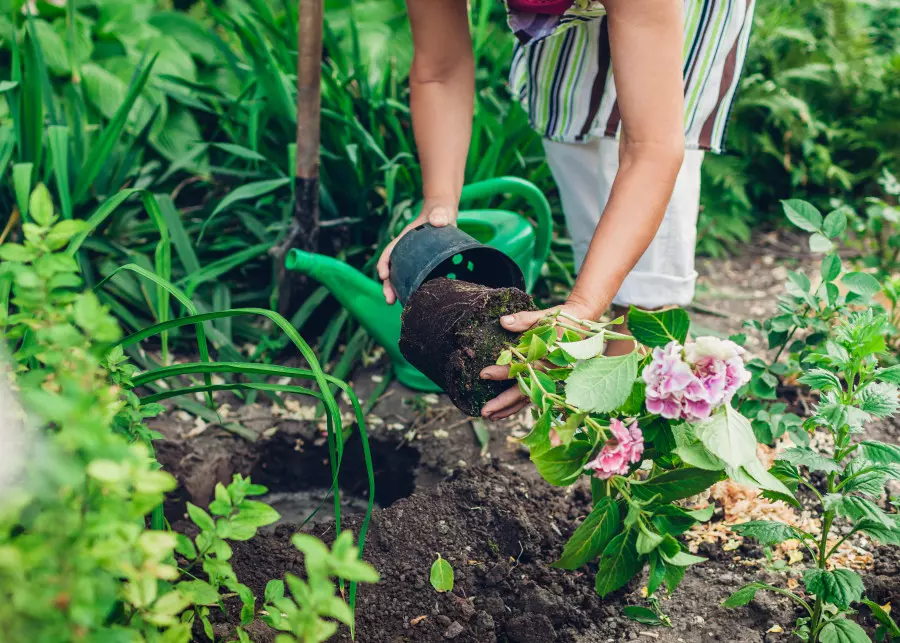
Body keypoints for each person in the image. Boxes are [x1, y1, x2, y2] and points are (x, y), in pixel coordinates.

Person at [377, 0, 756, 421]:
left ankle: (631, 415)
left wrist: (581, 307)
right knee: (576, 123)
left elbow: (652, 147)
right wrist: (439, 205)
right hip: (572, 35)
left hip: (668, 15)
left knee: (650, 273)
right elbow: (440, 69)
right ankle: (598, 392)